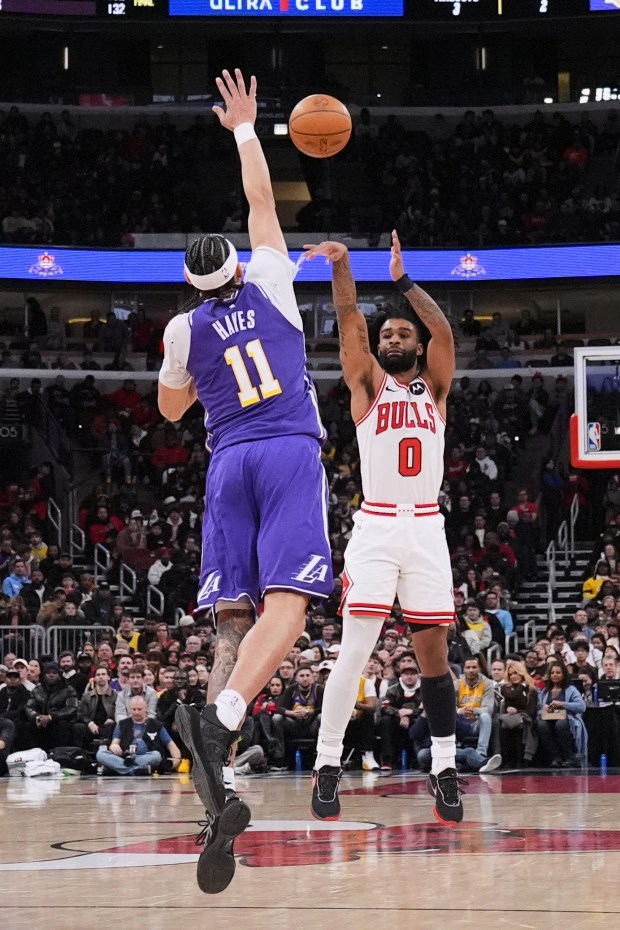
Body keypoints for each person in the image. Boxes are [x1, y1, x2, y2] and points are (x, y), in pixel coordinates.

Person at [157, 69, 332, 894]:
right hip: (289, 446)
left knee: (234, 617)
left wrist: (189, 376)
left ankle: (214, 788)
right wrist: (244, 129)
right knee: (291, 608)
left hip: (227, 462)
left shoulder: (181, 329)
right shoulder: (269, 279)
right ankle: (222, 724)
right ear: (232, 264)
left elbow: (166, 413)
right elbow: (264, 202)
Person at [302, 230, 464, 825]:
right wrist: (342, 267)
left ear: (418, 347)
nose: (392, 337)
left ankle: (444, 770)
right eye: (387, 333)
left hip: (425, 530)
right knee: (354, 654)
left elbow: (445, 331)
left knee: (433, 658)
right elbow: (349, 321)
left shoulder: (437, 387)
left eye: (402, 333)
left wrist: (402, 281)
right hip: (375, 527)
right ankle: (326, 765)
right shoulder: (367, 385)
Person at [96, 695, 180, 775]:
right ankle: (136, 770)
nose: (136, 712)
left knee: (156, 756)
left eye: (139, 709)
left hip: (146, 758)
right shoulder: (122, 724)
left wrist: (177, 759)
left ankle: (118, 769)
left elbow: (170, 744)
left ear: (146, 708)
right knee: (101, 753)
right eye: (134, 709)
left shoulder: (157, 725)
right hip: (125, 757)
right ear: (129, 709)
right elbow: (114, 743)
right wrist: (114, 746)